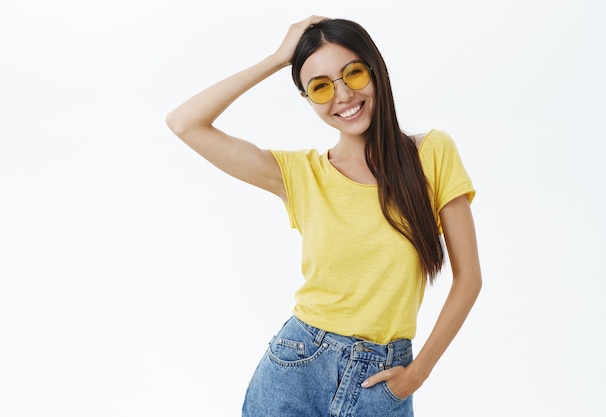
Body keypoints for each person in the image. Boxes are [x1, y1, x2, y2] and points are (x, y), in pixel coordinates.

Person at [166, 15, 482, 417]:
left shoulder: (432, 154)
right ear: (307, 98)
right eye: (320, 87)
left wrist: (416, 374)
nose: (343, 95)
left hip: (385, 380)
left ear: (375, 69)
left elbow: (469, 279)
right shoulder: (299, 174)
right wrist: (278, 59)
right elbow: (184, 122)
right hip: (295, 368)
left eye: (352, 73)